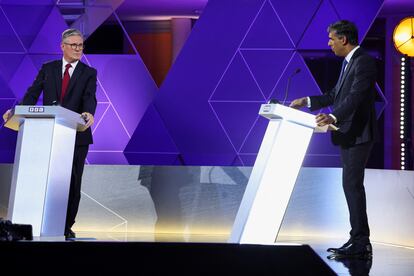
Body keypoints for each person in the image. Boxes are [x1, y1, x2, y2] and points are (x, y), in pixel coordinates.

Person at [290, 20, 377, 258]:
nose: (329, 44)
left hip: (358, 134)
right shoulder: (349, 63)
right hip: (347, 133)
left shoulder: (364, 62)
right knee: (350, 186)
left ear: (344, 39)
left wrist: (332, 115)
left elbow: (356, 97)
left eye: (331, 39)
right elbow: (334, 95)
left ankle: (362, 243)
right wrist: (307, 101)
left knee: (352, 186)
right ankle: (357, 239)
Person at [2, 29, 97, 239]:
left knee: (72, 182)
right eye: (73, 45)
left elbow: (90, 97)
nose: (78, 49)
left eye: (81, 45)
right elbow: (33, 93)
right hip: (47, 134)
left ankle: (66, 225)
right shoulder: (48, 69)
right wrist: (17, 110)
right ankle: (37, 222)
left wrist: (89, 112)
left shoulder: (89, 72)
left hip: (76, 135)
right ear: (62, 46)